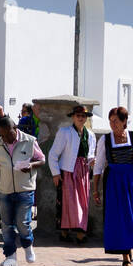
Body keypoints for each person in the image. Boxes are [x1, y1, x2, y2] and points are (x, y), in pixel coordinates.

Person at [92, 106, 133, 266]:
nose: (112, 124)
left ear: (124, 121)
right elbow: (98, 166)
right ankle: (126, 257)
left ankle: (128, 245)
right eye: (110, 121)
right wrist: (95, 190)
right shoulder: (104, 140)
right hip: (115, 183)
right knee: (120, 219)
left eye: (116, 121)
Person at [0, 115, 45, 266]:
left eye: (7, 134)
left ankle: (28, 246)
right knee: (7, 225)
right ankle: (10, 256)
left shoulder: (29, 141)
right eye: (2, 135)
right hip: (4, 190)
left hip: (25, 189)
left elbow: (42, 159)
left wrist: (31, 165)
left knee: (23, 223)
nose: (5, 138)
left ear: (15, 129)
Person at [49, 104, 96, 243]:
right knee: (68, 202)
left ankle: (81, 233)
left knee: (82, 202)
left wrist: (93, 161)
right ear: (73, 117)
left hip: (83, 173)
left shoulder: (91, 135)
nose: (81, 118)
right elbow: (53, 154)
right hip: (68, 172)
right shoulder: (65, 132)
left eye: (83, 116)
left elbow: (90, 154)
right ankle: (64, 233)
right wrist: (56, 173)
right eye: (78, 116)